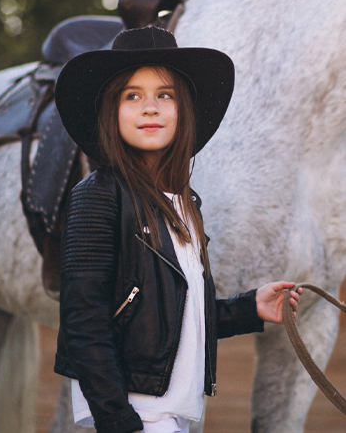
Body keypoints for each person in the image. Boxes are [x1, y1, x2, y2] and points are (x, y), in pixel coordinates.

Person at [54, 26, 301, 433]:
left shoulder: (184, 204)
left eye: (164, 95)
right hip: (134, 408)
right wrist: (117, 418)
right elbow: (84, 319)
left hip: (174, 410)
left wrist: (247, 308)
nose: (149, 108)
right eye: (132, 95)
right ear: (110, 112)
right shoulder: (97, 196)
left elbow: (168, 318)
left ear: (183, 110)